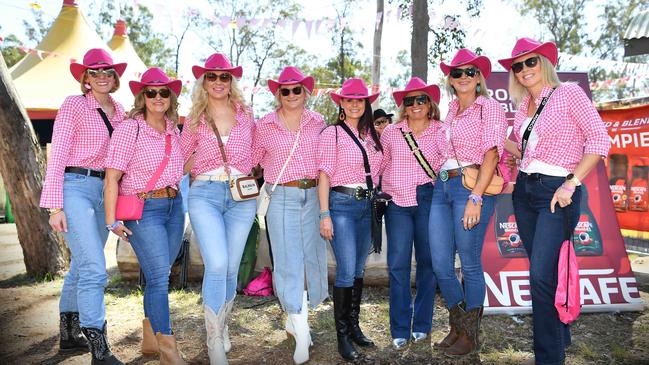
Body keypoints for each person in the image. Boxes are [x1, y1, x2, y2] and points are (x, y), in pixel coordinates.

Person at [498, 38, 610, 365]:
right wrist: (500, 141)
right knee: (544, 271)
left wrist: (571, 184)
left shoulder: (569, 93)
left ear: (544, 62)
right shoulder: (523, 108)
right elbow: (527, 153)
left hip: (556, 192)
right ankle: (561, 334)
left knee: (541, 277)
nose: (523, 70)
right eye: (517, 66)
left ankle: (549, 357)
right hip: (525, 191)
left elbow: (599, 140)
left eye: (530, 62)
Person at [39, 48, 126, 365]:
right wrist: (54, 206)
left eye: (108, 71)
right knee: (94, 268)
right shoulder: (73, 105)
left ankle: (68, 334)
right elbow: (58, 153)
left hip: (106, 192)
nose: (102, 75)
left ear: (114, 77)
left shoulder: (121, 111)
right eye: (95, 71)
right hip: (75, 187)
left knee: (82, 265)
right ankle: (99, 349)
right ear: (85, 78)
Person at [104, 67, 186, 365]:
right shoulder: (130, 128)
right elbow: (112, 176)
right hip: (144, 211)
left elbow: (178, 168)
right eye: (151, 92)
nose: (157, 97)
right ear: (142, 96)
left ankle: (151, 341)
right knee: (160, 278)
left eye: (164, 92)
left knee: (158, 275)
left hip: (175, 207)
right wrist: (111, 219)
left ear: (171, 97)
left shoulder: (174, 130)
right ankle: (169, 351)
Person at [430, 48, 507, 357]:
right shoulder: (449, 110)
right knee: (440, 264)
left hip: (470, 188)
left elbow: (492, 153)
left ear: (479, 79)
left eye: (469, 72)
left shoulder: (489, 107)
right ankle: (457, 325)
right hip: (442, 186)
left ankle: (470, 337)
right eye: (457, 73)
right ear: (450, 79)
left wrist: (476, 197)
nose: (463, 77)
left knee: (470, 263)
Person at [181, 53, 256, 365]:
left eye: (224, 77)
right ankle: (213, 340)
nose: (218, 82)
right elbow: (181, 161)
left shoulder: (246, 114)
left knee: (229, 267)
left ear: (231, 81)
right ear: (204, 81)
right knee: (217, 264)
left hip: (241, 196)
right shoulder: (193, 118)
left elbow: (256, 153)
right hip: (205, 195)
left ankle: (222, 326)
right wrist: (199, 161)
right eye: (211, 77)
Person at [251, 66, 328, 364]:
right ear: (278, 94)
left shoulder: (318, 121)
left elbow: (326, 163)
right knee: (287, 261)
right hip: (280, 195)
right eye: (286, 90)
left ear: (306, 93)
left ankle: (295, 317)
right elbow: (252, 159)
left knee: (312, 259)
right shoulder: (264, 124)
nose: (292, 94)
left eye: (297, 89)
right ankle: (301, 328)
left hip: (312, 196)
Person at [318, 78, 383, 362]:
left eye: (360, 99)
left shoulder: (372, 136)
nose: (355, 103)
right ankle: (342, 336)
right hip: (342, 205)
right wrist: (324, 214)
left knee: (358, 269)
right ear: (341, 103)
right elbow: (324, 176)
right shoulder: (331, 134)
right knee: (345, 270)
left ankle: (354, 326)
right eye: (349, 99)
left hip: (366, 206)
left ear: (366, 103)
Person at [380, 77, 442, 349]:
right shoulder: (390, 133)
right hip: (397, 203)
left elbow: (448, 166)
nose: (415, 105)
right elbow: (380, 165)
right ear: (403, 106)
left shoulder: (442, 130)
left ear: (429, 104)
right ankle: (400, 327)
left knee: (429, 264)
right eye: (410, 101)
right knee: (397, 265)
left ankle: (423, 324)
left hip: (430, 200)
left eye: (421, 100)